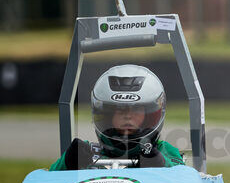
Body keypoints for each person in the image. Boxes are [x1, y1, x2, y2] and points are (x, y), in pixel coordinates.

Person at [50, 64, 185, 170]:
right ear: (107, 115)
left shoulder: (165, 151)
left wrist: (159, 164)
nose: (128, 116)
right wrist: (67, 162)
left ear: (150, 115)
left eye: (136, 110)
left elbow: (184, 181)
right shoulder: (88, 153)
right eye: (120, 110)